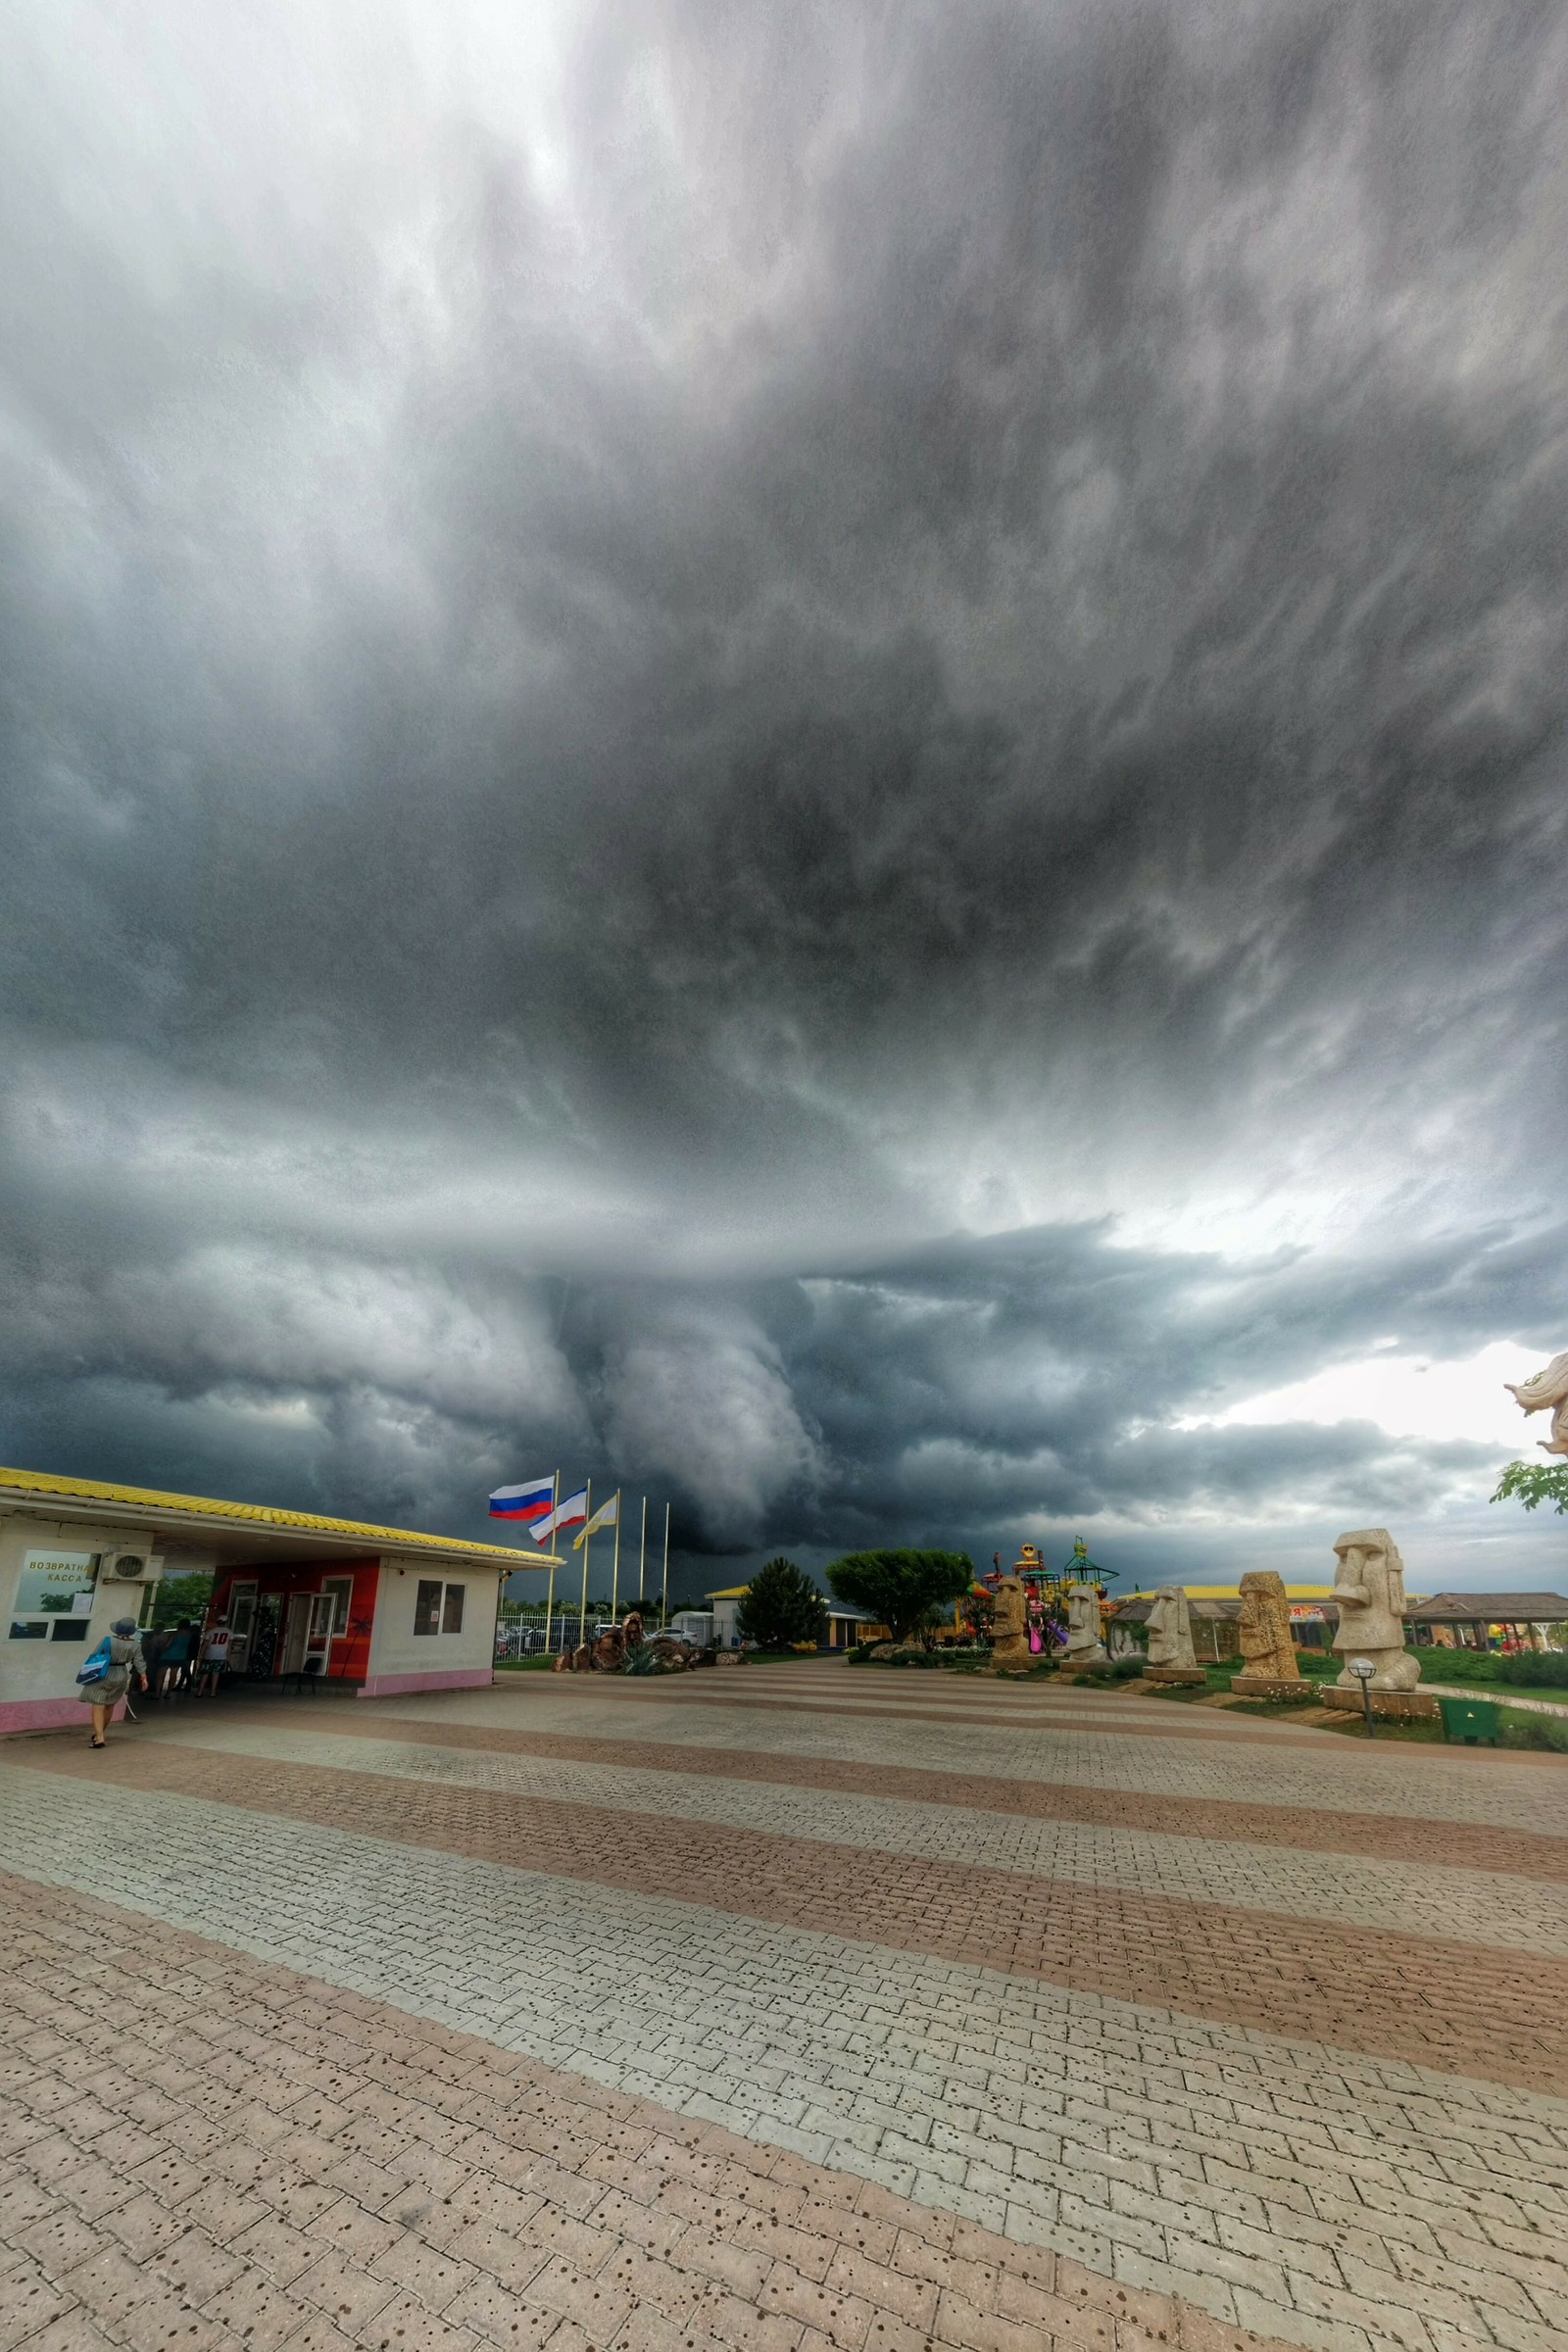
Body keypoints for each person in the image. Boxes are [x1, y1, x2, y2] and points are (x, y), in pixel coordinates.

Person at [77, 1617, 149, 1748]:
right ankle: (99, 1733)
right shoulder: (135, 1644)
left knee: (98, 1705)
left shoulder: (108, 1640)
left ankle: (99, 1737)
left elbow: (95, 1655)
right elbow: (139, 1661)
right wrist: (143, 1677)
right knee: (110, 1705)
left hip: (104, 1672)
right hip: (121, 1673)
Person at [198, 1620, 231, 1696]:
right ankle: (213, 1692)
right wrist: (228, 1656)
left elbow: (205, 1644)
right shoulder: (229, 1632)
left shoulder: (210, 1631)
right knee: (216, 1673)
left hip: (209, 1655)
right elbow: (229, 1646)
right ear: (226, 1623)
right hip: (221, 1655)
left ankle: (199, 1692)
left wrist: (201, 1654)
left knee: (205, 1673)